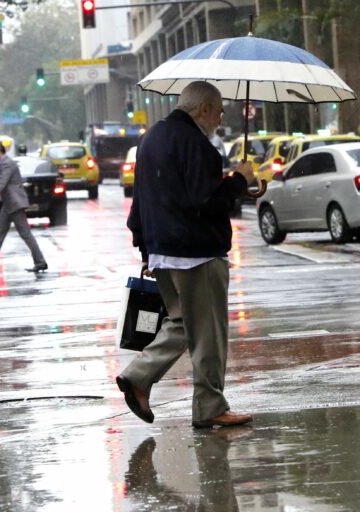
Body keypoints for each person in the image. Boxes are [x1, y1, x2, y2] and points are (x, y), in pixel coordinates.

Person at [116, 81, 256, 429]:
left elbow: (142, 201)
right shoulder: (199, 146)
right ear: (204, 109)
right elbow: (205, 202)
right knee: (208, 332)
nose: (221, 118)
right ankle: (209, 406)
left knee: (181, 323)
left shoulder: (150, 140)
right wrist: (239, 180)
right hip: (197, 254)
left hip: (163, 252)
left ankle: (138, 376)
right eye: (220, 110)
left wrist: (146, 248)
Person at [0, 141, 48, 274]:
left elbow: (2, 184)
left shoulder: (6, 163)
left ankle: (40, 262)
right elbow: (0, 182)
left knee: (25, 234)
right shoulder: (1, 164)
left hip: (15, 203)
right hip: (9, 203)